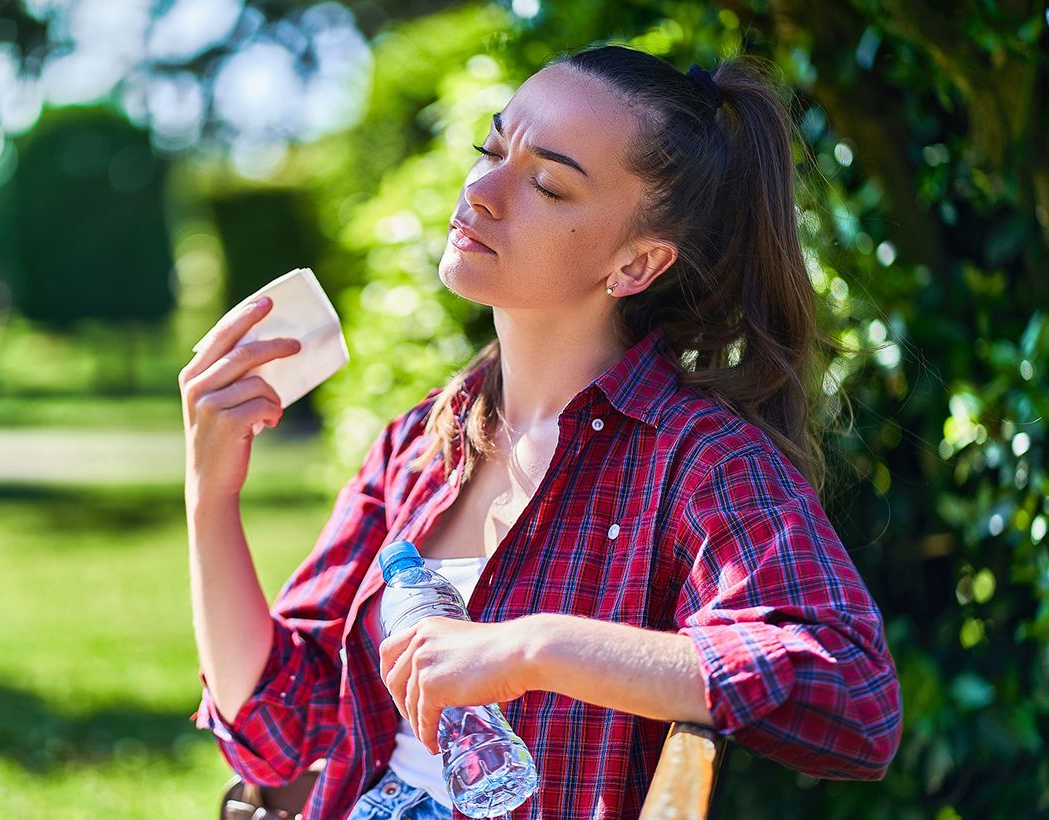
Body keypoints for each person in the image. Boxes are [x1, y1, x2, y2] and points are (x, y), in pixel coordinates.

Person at [181, 43, 903, 820]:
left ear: (635, 264)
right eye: (490, 150)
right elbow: (281, 735)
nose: (483, 191)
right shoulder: (423, 442)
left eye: (548, 185)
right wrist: (210, 495)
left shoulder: (698, 461)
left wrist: (534, 649)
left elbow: (854, 693)